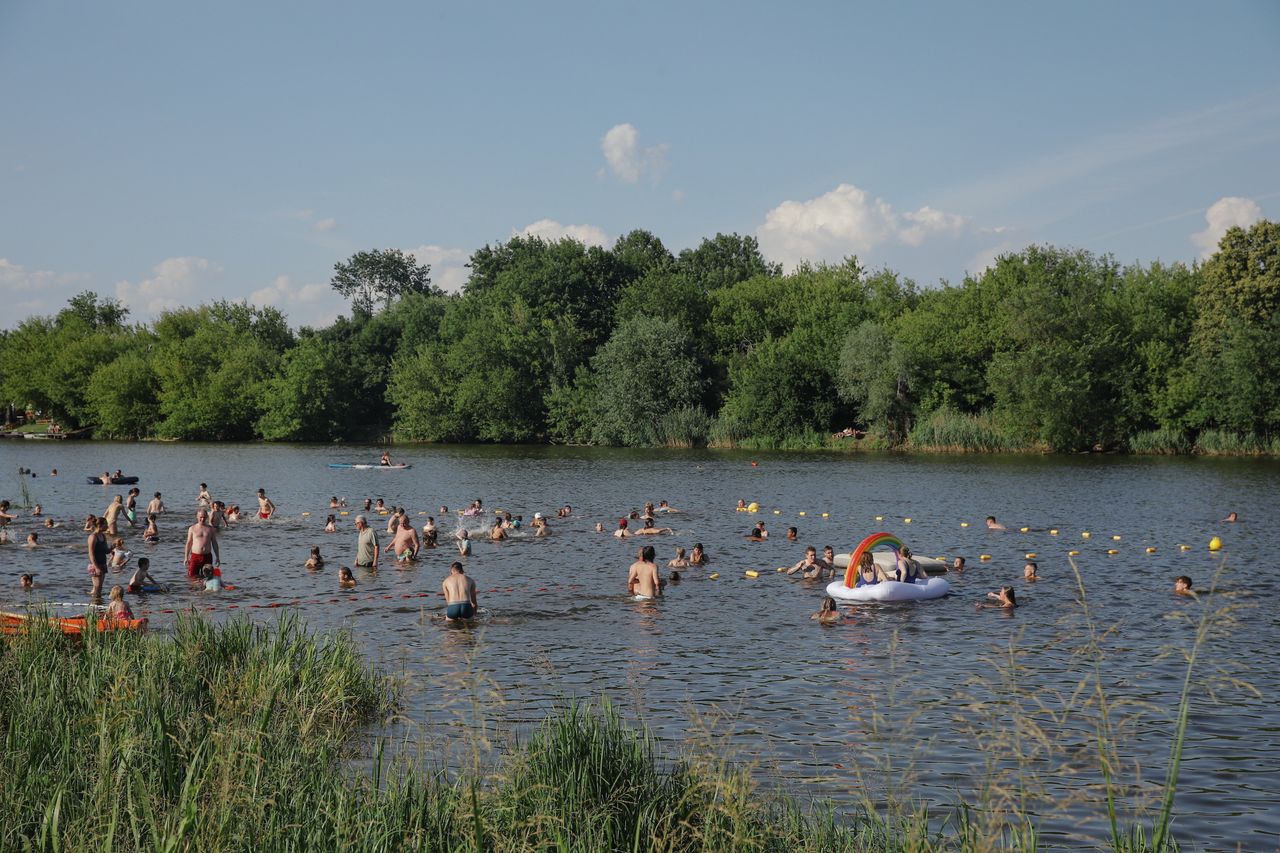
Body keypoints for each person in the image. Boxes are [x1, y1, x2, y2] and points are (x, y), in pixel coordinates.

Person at [183, 509, 221, 580]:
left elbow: (214, 543)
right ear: (197, 517)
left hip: (207, 556)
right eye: (201, 517)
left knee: (208, 577)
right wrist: (186, 557)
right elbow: (188, 543)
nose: (202, 519)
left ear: (207, 517)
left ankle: (205, 590)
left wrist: (217, 557)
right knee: (192, 576)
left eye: (204, 517)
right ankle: (195, 590)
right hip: (195, 556)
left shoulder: (210, 529)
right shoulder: (192, 528)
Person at [87, 517, 109, 597]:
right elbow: (91, 554)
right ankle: (95, 604)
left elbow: (106, 551)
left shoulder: (103, 536)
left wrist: (112, 547)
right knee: (97, 588)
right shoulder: (93, 537)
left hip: (103, 564)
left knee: (99, 588)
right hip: (95, 565)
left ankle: (96, 603)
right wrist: (96, 568)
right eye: (106, 524)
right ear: (100, 525)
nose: (107, 526)